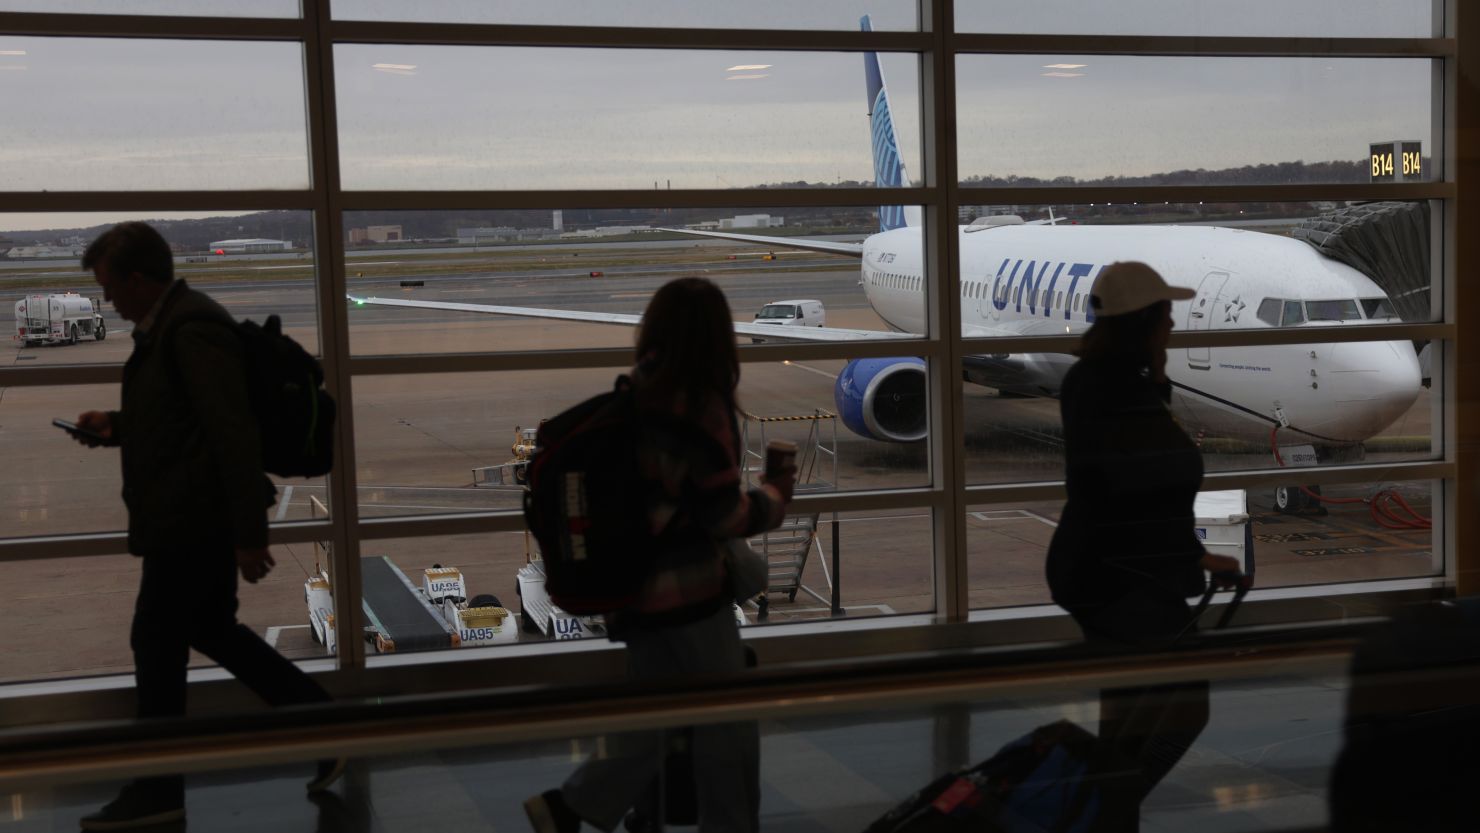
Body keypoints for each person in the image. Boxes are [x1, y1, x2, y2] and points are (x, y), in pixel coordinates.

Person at [68, 222, 342, 831]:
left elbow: (231, 431)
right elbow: (182, 420)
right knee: (210, 631)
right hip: (189, 515)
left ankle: (159, 788)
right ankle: (325, 723)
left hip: (194, 520)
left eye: (111, 288)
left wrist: (250, 532)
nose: (107, 301)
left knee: (156, 645)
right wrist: (116, 424)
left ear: (140, 280)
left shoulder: (191, 329)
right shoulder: (173, 327)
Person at [525, 277, 795, 833]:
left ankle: (569, 807)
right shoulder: (698, 407)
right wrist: (776, 496)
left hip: (631, 591)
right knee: (729, 732)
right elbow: (725, 516)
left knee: (653, 721)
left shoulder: (638, 394)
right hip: (689, 596)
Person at [1044, 261, 1242, 828]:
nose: (1174, 324)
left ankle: (1108, 812)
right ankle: (1105, 810)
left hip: (1108, 568)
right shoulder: (1113, 389)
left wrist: (1154, 377)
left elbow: (1136, 489)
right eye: (1166, 314)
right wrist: (1191, 556)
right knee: (1179, 708)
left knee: (1129, 713)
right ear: (1145, 321)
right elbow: (1135, 487)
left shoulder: (1103, 380)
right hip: (1121, 575)